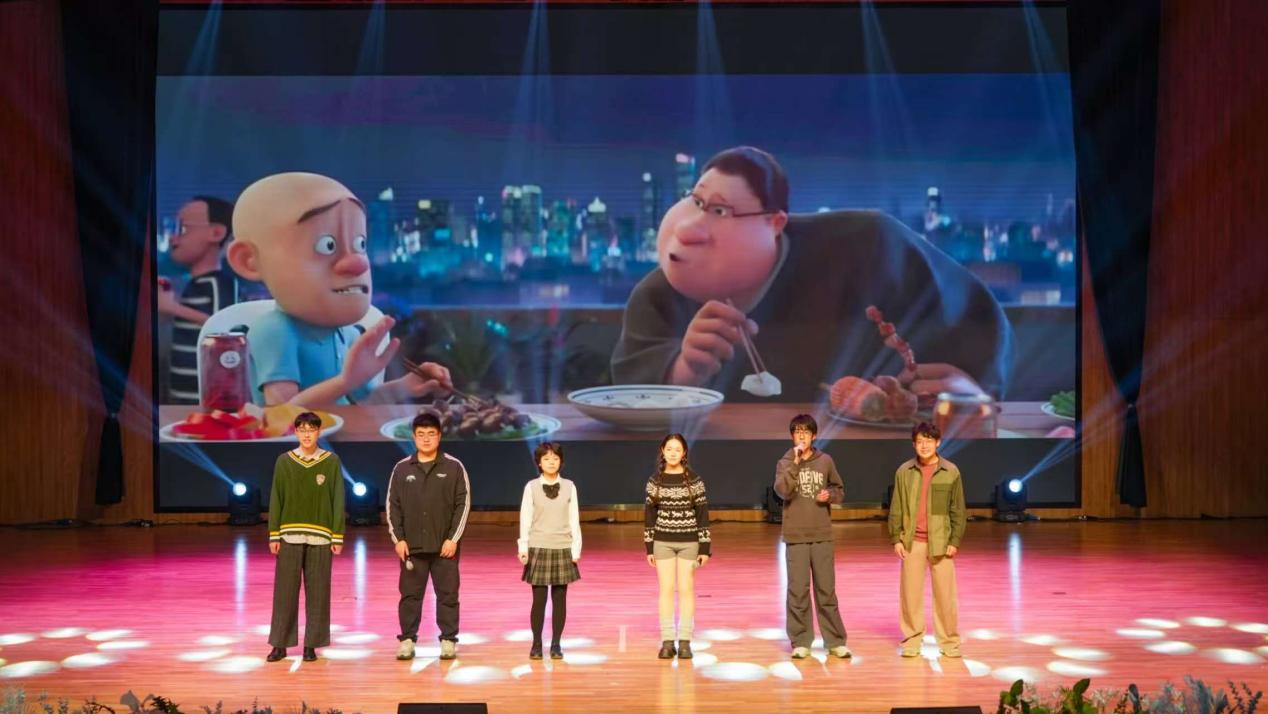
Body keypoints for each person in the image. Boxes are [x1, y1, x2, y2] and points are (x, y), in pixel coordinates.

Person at [611, 146, 1014, 402]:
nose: (688, 229)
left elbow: (974, 314)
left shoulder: (869, 243)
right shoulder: (658, 295)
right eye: (695, 201)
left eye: (720, 211)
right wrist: (684, 369)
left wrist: (975, 388)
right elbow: (630, 390)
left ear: (775, 223)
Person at [227, 172, 451, 406]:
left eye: (360, 244)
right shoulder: (275, 331)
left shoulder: (348, 334)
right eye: (327, 245)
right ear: (249, 261)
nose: (357, 263)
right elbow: (281, 412)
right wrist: (344, 382)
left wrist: (405, 386)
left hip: (344, 430)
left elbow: (363, 402)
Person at [387, 412, 471, 661]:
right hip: (412, 548)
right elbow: (393, 506)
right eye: (421, 434)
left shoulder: (454, 466)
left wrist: (453, 539)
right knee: (410, 596)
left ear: (439, 436)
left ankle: (448, 640)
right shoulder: (402, 468)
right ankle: (407, 640)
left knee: (448, 595)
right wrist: (399, 539)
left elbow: (463, 504)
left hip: (445, 547)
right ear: (414, 437)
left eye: (431, 434)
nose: (426, 439)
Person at [266, 411, 345, 663]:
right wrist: (274, 533)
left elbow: (338, 498)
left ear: (319, 432)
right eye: (302, 430)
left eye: (311, 430)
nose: (307, 434)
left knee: (319, 592)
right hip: (289, 535)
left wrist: (337, 535)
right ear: (296, 432)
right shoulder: (284, 461)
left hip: (321, 537)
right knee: (285, 593)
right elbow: (276, 497)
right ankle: (280, 645)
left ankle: (312, 645)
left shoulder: (331, 461)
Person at [774, 414, 851, 659]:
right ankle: (801, 641)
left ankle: (835, 641)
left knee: (826, 590)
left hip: (822, 534)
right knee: (798, 591)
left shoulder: (825, 461)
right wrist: (795, 463)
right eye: (797, 432)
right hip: (796, 535)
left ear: (814, 435)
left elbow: (839, 490)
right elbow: (783, 491)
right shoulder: (785, 462)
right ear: (792, 436)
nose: (802, 436)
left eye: (806, 432)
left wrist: (830, 495)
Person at [888, 422, 966, 658]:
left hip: (941, 542)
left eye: (929, 441)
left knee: (945, 596)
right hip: (912, 542)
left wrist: (954, 540)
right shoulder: (904, 471)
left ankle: (949, 643)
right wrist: (896, 538)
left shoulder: (950, 471)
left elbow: (958, 510)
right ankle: (912, 641)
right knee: (910, 596)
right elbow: (896, 507)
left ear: (938, 442)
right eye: (920, 441)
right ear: (914, 444)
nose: (924, 446)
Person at [159, 196, 239, 403]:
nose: (173, 238)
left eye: (183, 229)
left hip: (206, 397)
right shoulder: (193, 284)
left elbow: (224, 328)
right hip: (180, 393)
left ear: (216, 233)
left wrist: (172, 307)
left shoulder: (218, 283)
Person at [643, 433, 710, 659]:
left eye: (677, 449)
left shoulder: (695, 481)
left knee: (686, 590)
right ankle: (667, 641)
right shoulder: (655, 481)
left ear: (684, 453)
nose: (673, 453)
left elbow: (702, 514)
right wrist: (649, 546)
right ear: (662, 451)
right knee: (666, 590)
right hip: (662, 542)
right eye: (669, 449)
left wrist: (704, 547)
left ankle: (685, 642)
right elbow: (649, 515)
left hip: (689, 542)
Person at [517, 442, 582, 660]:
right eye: (546, 459)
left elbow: (574, 519)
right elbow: (525, 518)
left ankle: (556, 644)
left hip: (562, 547)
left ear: (561, 462)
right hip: (538, 547)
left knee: (560, 599)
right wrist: (523, 546)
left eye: (555, 458)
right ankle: (536, 643)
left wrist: (575, 548)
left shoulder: (570, 486)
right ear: (539, 463)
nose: (551, 462)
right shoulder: (531, 487)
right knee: (539, 600)